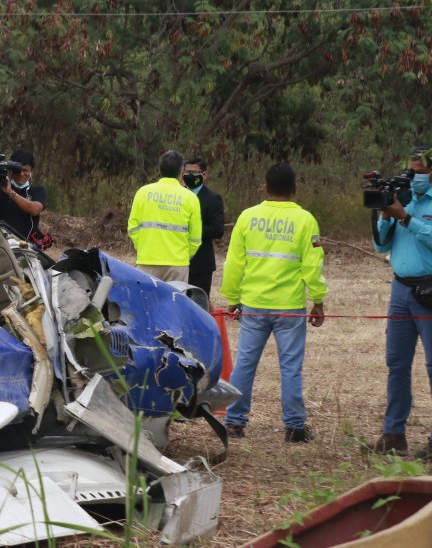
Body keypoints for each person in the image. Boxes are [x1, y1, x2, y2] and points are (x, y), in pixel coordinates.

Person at [221, 163, 326, 443]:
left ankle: (233, 422)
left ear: (265, 188)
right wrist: (317, 300)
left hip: (254, 304)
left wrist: (233, 297)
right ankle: (294, 427)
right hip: (289, 307)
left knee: (244, 363)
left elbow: (234, 262)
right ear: (295, 190)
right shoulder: (305, 220)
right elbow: (312, 265)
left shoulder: (247, 217)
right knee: (291, 367)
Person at [367, 146, 432, 459]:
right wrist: (385, 214)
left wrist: (406, 218)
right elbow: (381, 246)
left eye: (421, 171)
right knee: (396, 364)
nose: (415, 177)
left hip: (429, 291)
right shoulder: (404, 198)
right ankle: (394, 435)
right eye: (412, 170)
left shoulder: (418, 205)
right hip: (401, 291)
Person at [127, 150, 202, 281]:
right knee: (174, 300)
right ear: (181, 171)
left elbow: (132, 228)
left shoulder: (143, 193)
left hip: (147, 261)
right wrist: (184, 255)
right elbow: (195, 238)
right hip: (177, 264)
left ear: (160, 169)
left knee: (147, 300)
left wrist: (144, 247)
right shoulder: (190, 198)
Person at [183, 156, 226, 299]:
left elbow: (217, 229)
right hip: (178, 260)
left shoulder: (213, 199)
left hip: (200, 264)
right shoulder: (179, 195)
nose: (190, 176)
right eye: (187, 172)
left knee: (199, 304)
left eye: (194, 173)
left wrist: (192, 230)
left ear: (204, 175)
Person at [0, 149, 47, 242]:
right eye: (17, 170)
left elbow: (35, 209)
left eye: (25, 170)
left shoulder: (37, 190)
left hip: (26, 243)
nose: (21, 174)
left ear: (31, 170)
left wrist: (11, 193)